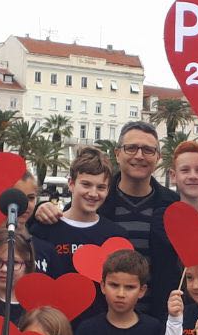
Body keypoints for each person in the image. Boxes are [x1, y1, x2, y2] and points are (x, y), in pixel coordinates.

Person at [33, 123, 182, 305]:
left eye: (148, 150)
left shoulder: (174, 206)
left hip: (158, 313)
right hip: (101, 312)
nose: (139, 155)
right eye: (131, 148)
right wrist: (39, 209)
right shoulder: (96, 202)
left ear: (158, 157)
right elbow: (65, 223)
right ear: (117, 153)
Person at [28, 148, 129, 317]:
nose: (93, 193)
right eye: (86, 184)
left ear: (108, 190)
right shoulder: (44, 229)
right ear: (71, 184)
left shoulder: (116, 235)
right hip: (52, 324)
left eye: (101, 187)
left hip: (97, 327)